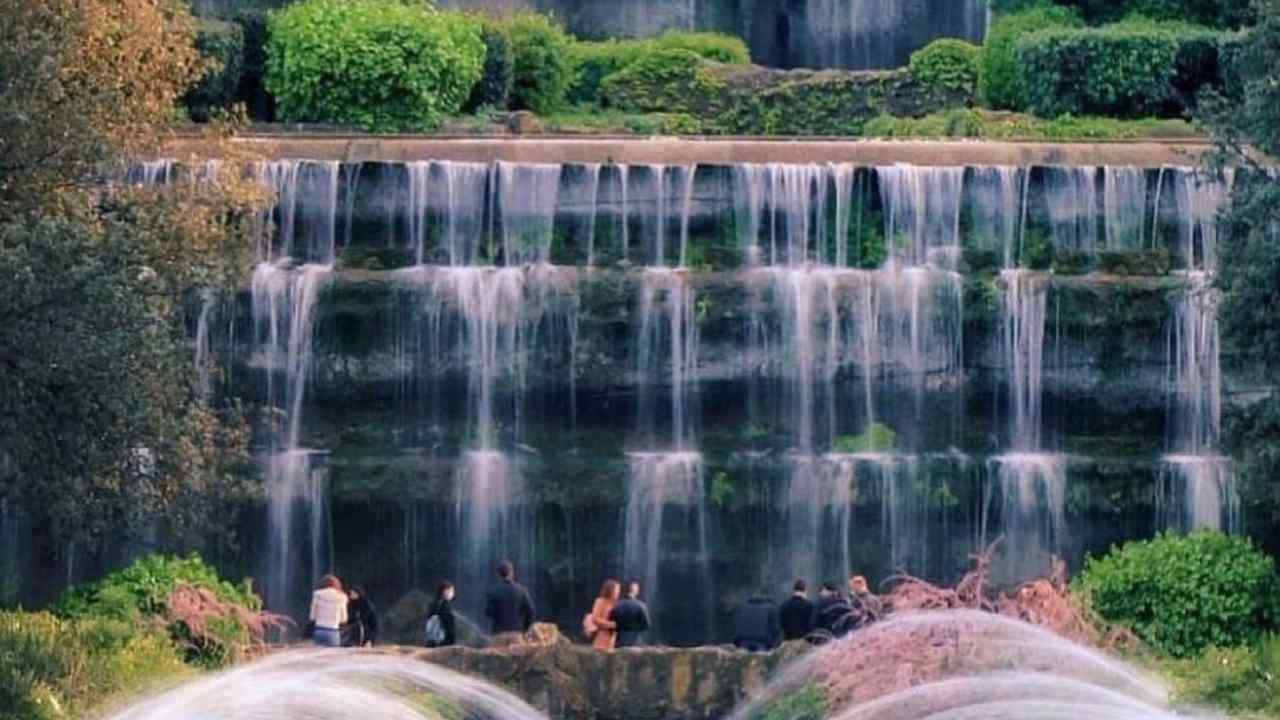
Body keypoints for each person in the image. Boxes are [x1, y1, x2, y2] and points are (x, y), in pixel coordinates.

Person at [484, 560, 535, 636]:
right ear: (512, 573)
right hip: (516, 634)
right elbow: (531, 612)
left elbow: (488, 613)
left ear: (499, 574)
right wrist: (525, 630)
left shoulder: (493, 592)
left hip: (498, 634)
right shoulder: (522, 590)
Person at [610, 579, 652, 649]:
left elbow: (611, 623)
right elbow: (647, 625)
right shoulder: (641, 605)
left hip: (619, 642)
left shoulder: (617, 605)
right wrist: (634, 627)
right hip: (635, 642)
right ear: (636, 591)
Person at [309, 574, 347, 648]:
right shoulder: (342, 597)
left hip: (319, 630)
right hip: (333, 631)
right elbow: (343, 619)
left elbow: (312, 616)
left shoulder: (317, 595)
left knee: (317, 657)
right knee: (332, 657)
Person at [588, 579, 620, 650]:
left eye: (618, 590)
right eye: (616, 590)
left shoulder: (618, 604)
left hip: (614, 641)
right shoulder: (600, 601)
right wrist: (611, 624)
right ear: (610, 590)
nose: (618, 592)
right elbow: (595, 618)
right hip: (601, 640)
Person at [427, 580, 458, 647]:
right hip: (443, 642)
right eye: (452, 591)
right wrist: (452, 641)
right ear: (445, 591)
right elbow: (448, 626)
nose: (453, 594)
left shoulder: (433, 603)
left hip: (432, 640)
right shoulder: (445, 606)